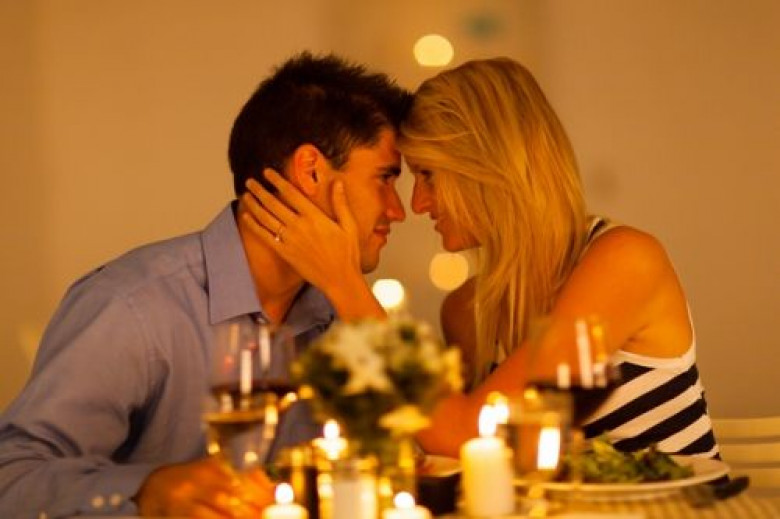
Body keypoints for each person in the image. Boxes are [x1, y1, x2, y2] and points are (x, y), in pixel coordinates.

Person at [0, 52, 411, 518]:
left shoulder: (345, 312)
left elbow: (412, 452)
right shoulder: (134, 306)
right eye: (385, 178)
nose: (397, 210)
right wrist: (147, 491)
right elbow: (11, 476)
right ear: (311, 170)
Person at [246, 57, 719, 461]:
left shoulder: (624, 260)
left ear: (489, 167)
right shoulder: (466, 310)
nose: (417, 204)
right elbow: (477, 458)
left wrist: (344, 282)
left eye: (429, 175)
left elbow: (464, 434)